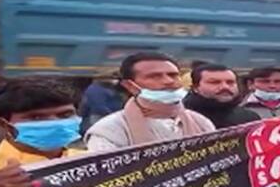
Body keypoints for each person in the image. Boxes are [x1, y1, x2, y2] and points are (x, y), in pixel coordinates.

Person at [84, 52, 215, 152]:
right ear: (130, 86)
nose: (168, 81)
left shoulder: (200, 122)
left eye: (173, 75)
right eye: (155, 76)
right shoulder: (109, 130)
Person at [183, 64, 261, 128]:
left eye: (230, 82)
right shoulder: (182, 116)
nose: (225, 87)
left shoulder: (249, 118)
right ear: (195, 87)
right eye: (214, 82)